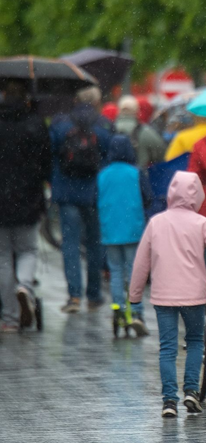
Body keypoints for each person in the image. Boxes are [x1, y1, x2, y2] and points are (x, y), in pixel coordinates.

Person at [129, 171, 206, 418]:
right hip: (193, 295)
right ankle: (191, 391)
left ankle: (169, 401)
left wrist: (135, 296)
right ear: (198, 196)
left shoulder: (156, 223)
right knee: (194, 343)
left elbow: (141, 262)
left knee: (167, 347)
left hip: (163, 295)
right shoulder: (202, 223)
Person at [49, 85, 113, 313]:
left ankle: (74, 296)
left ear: (75, 100)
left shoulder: (60, 124)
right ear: (96, 102)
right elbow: (111, 157)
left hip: (66, 193)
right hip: (95, 193)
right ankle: (94, 294)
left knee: (70, 244)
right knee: (96, 244)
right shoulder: (104, 125)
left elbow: (50, 154)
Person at [0, 81, 51, 332]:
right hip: (28, 198)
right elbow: (46, 163)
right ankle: (25, 287)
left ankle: (9, 318)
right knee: (28, 250)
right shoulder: (35, 124)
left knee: (2, 258)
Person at [98, 135, 151, 337]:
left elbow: (96, 198)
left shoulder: (103, 174)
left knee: (116, 271)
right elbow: (148, 198)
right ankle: (136, 312)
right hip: (133, 230)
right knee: (134, 272)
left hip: (110, 231)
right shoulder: (136, 173)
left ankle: (117, 308)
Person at [115, 96, 167, 169]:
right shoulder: (146, 131)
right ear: (137, 111)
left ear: (118, 110)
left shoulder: (109, 129)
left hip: (111, 178)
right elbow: (162, 153)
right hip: (140, 177)